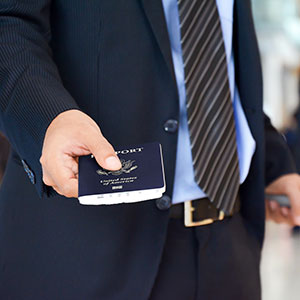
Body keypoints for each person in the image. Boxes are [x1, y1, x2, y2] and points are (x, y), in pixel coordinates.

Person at [0, 0, 300, 299]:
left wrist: (274, 163)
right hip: (88, 247)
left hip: (230, 245)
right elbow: (9, 20)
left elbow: (219, 62)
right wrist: (48, 119)